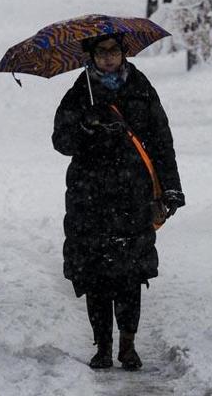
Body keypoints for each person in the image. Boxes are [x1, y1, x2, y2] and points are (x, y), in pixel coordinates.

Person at [52, 34, 185, 370]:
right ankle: (102, 347)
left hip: (132, 194)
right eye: (101, 53)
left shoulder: (141, 89)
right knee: (94, 274)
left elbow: (161, 141)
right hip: (89, 196)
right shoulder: (79, 94)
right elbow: (61, 141)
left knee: (129, 274)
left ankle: (128, 345)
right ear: (91, 56)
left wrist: (171, 188)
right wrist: (86, 125)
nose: (108, 59)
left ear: (124, 53)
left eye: (114, 52)